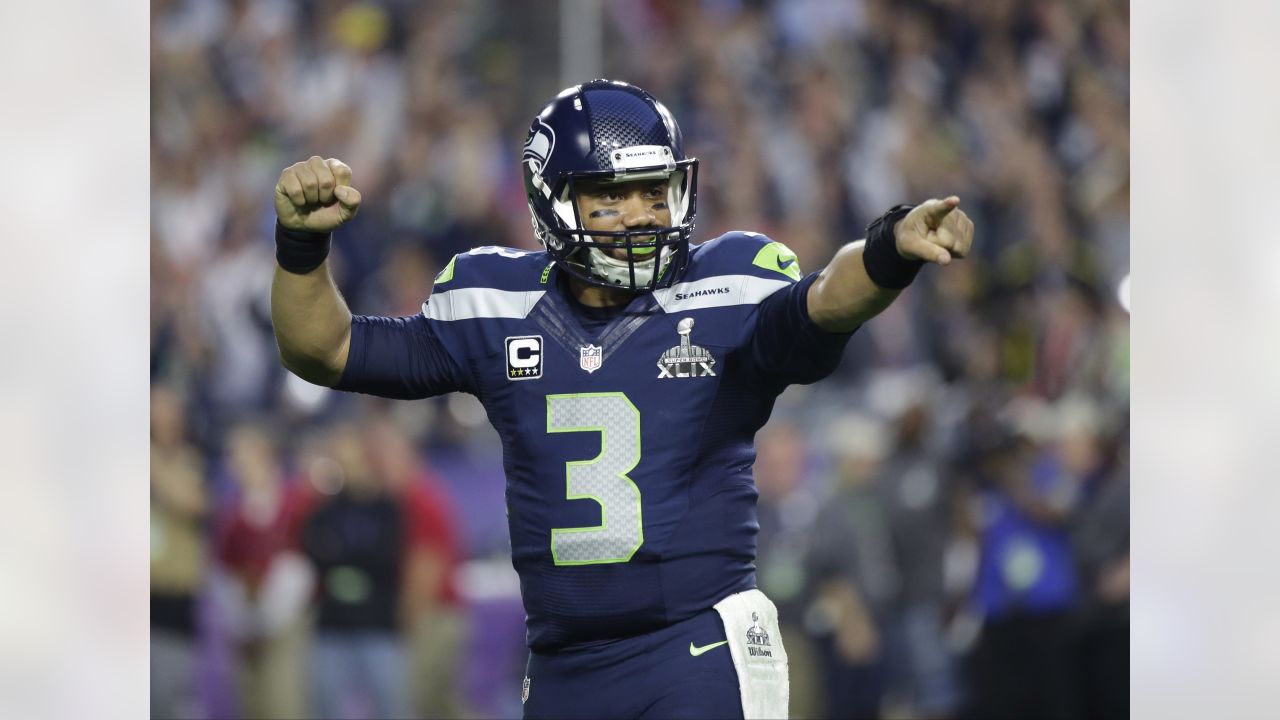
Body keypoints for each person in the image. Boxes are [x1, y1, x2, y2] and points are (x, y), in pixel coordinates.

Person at [269, 79, 974, 719]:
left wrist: (888, 251)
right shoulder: (496, 301)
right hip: (563, 664)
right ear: (553, 202)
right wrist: (301, 248)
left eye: (651, 190)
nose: (638, 214)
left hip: (698, 647)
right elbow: (326, 349)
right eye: (610, 196)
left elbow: (824, 299)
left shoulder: (727, 283)